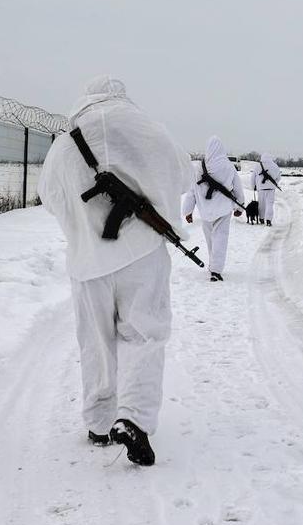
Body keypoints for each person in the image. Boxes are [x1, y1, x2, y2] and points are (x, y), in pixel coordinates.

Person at [37, 75, 193, 467]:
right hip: (143, 252)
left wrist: (83, 225)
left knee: (96, 340)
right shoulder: (148, 130)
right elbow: (184, 173)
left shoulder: (65, 141)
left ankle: (100, 421)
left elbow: (49, 195)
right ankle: (134, 419)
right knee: (145, 335)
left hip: (89, 260)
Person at [182, 136, 244, 282]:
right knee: (220, 239)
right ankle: (216, 270)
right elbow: (237, 187)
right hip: (223, 210)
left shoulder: (198, 168)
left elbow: (192, 191)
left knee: (210, 239)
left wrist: (188, 211)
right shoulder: (228, 166)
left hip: (205, 211)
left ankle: (213, 264)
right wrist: (239, 206)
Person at [252, 153, 282, 226]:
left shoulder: (258, 166)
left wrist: (253, 186)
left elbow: (253, 177)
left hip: (261, 189)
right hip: (271, 189)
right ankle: (268, 220)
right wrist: (273, 184)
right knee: (269, 205)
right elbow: (278, 178)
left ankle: (261, 219)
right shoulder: (275, 166)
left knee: (261, 205)